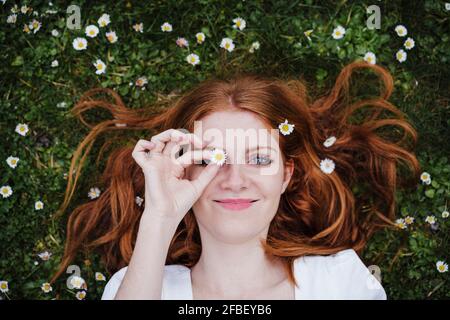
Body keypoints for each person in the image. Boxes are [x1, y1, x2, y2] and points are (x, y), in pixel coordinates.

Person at [51, 61, 421, 299]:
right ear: (184, 172)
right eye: (214, 159)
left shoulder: (340, 280)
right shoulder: (141, 286)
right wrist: (160, 217)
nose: (235, 180)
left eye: (259, 158)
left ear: (286, 176)